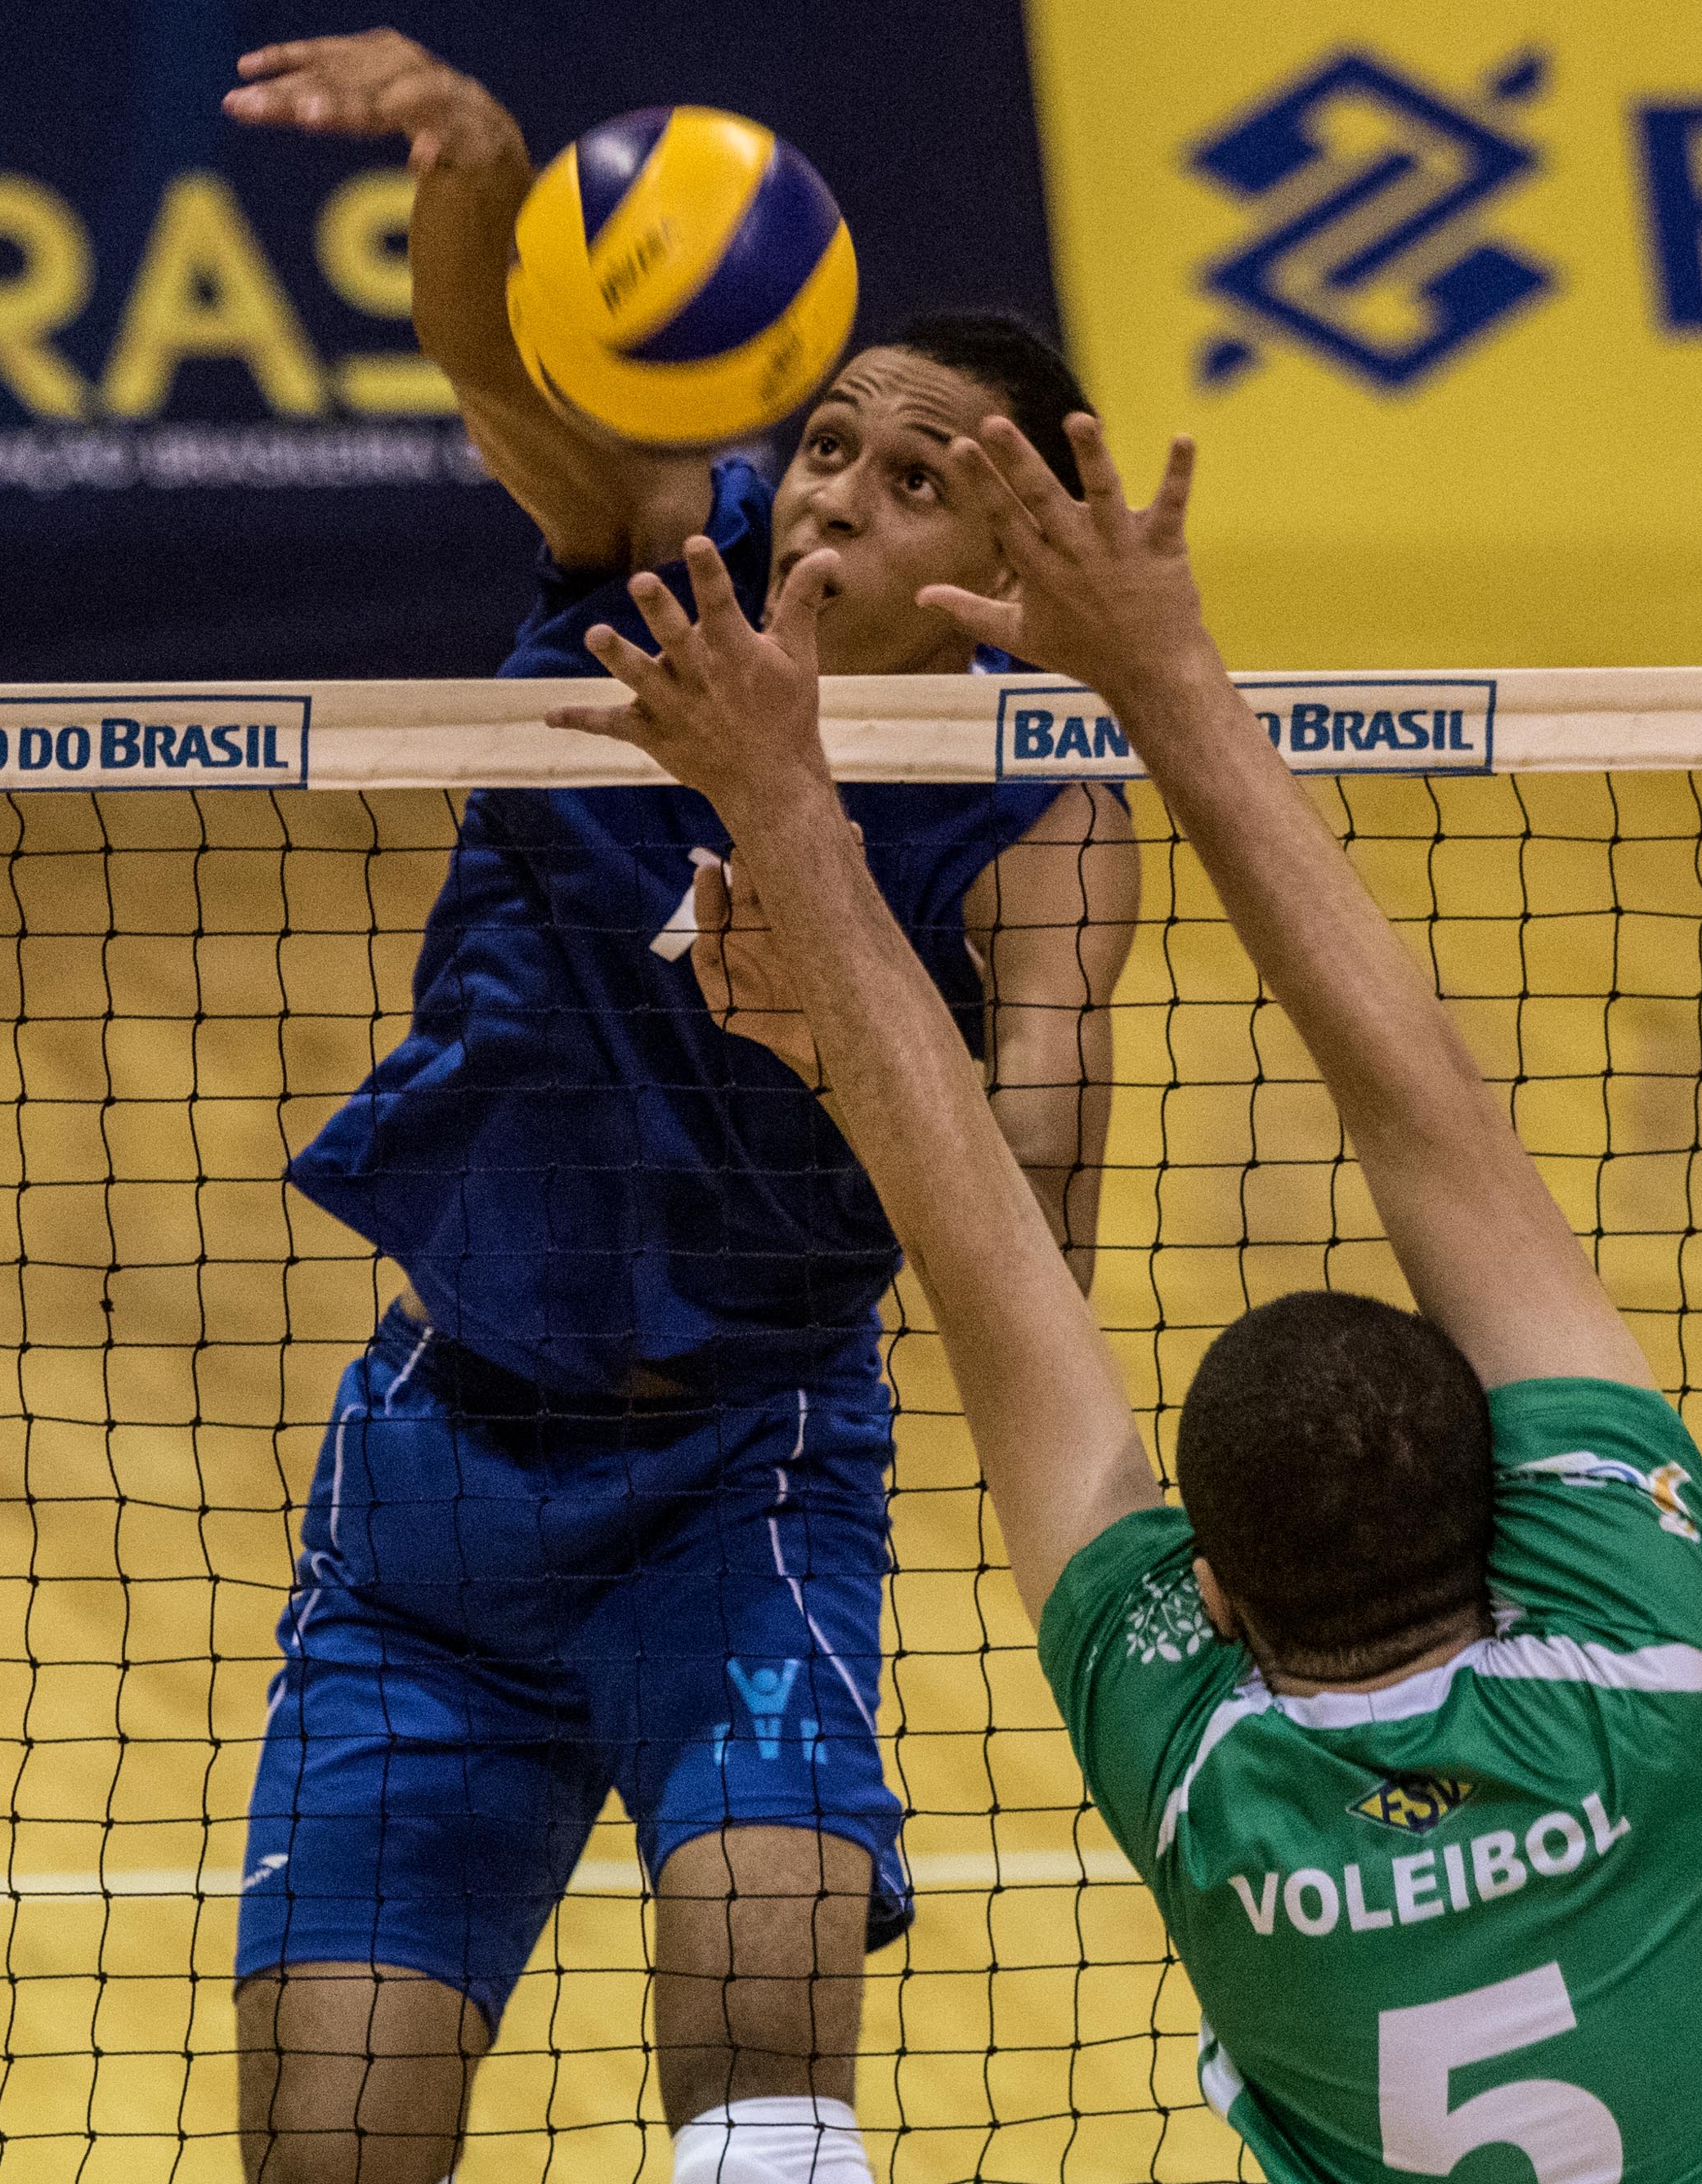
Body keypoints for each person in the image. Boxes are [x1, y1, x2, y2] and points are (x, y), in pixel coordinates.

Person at [554, 410, 1702, 2183]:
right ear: (1516, 1508)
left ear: (1215, 1589)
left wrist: (780, 809)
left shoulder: (1204, 1773)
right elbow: (1425, 1115)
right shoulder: (1643, 1651)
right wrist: (1161, 670)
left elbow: (981, 1265)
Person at [222, 34, 1139, 2184]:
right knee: (332, 2149)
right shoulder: (658, 559)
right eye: (829, 443)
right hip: (434, 1506)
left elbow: (1041, 1213)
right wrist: (479, 168)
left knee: (764, 2068)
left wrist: (846, 1017)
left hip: (742, 1494)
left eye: (914, 484)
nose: (830, 494)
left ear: (1001, 564)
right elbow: (502, 360)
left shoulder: (1037, 810)